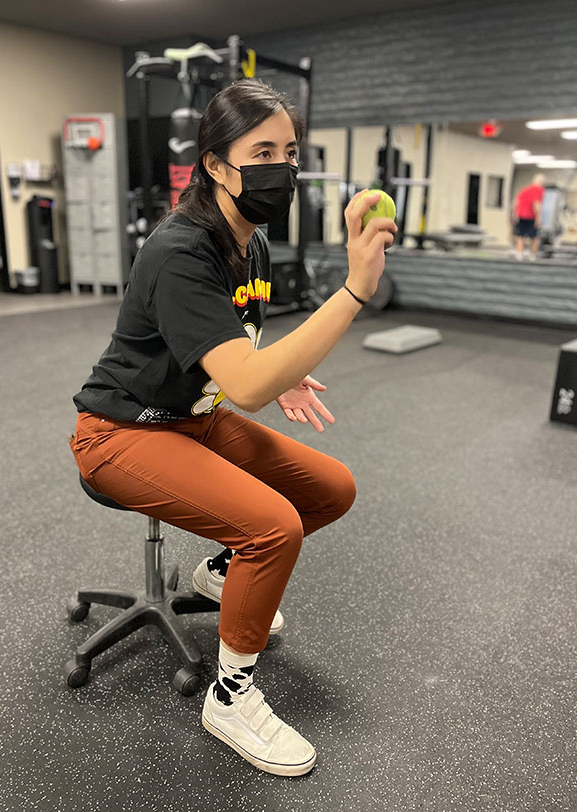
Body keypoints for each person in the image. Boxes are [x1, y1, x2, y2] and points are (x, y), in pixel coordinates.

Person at [68, 78, 396, 776]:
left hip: (195, 417)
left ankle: (222, 572)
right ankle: (230, 697)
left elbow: (238, 349)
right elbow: (246, 385)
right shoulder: (179, 251)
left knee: (331, 488)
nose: (283, 167)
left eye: (290, 152)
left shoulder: (253, 244)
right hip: (119, 432)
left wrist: (281, 372)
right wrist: (354, 290)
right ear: (216, 165)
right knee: (273, 526)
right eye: (263, 152)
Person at [512, 173, 545, 260]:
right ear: (541, 182)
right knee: (535, 237)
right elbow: (536, 204)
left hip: (521, 216)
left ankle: (519, 254)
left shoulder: (524, 189)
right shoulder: (539, 190)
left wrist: (513, 214)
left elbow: (516, 202)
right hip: (531, 216)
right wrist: (538, 218)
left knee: (520, 235)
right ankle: (532, 255)